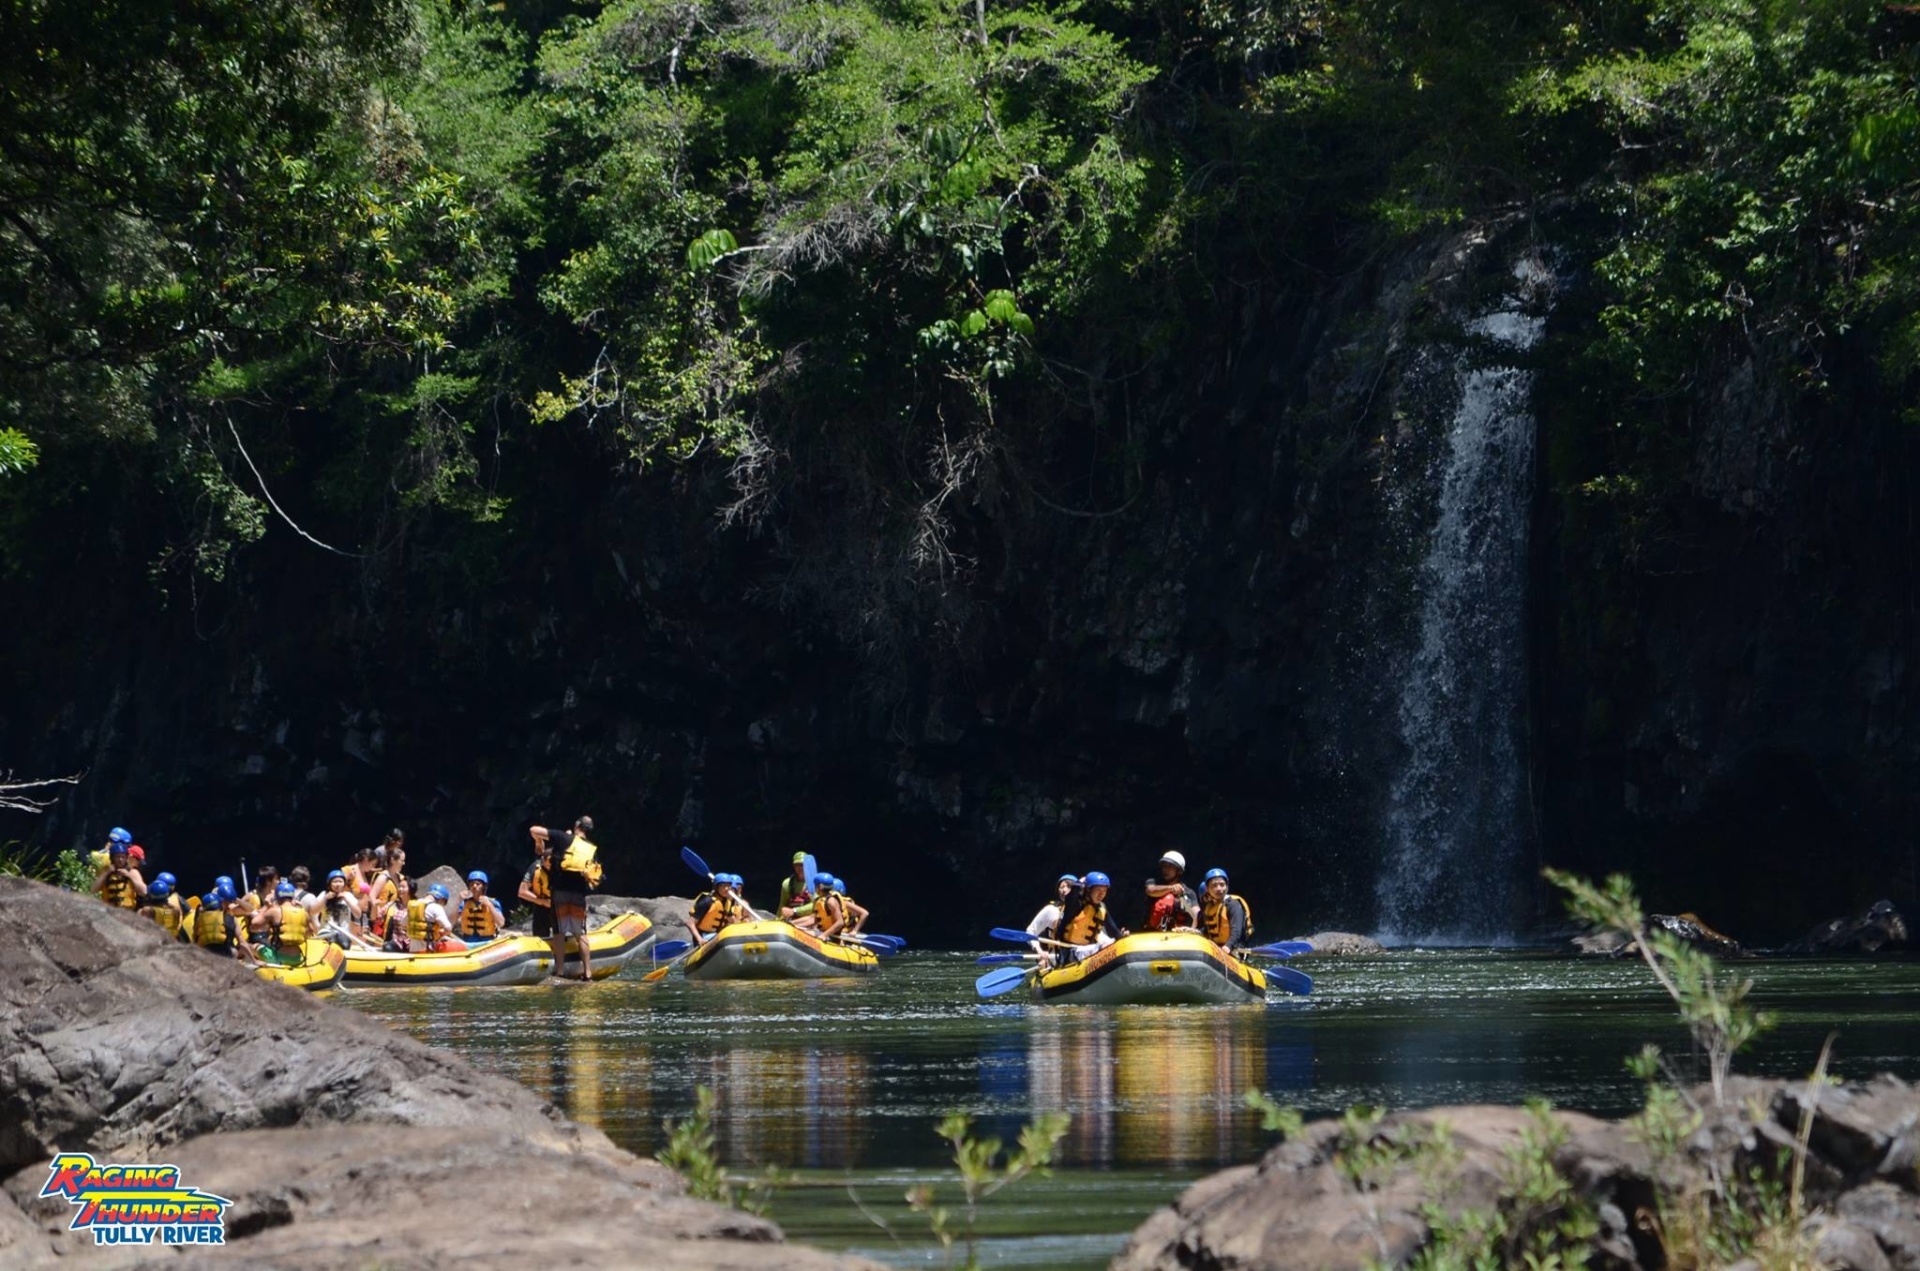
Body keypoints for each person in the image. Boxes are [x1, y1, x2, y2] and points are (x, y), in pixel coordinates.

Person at [531, 821, 596, 982]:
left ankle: (560, 972)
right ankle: (588, 972)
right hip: (578, 894)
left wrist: (538, 841)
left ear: (576, 826)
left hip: (560, 892)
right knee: (580, 933)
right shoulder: (590, 848)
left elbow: (534, 829)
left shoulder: (563, 838)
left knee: (559, 933)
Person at [1053, 871, 1123, 960]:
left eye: (1104, 891)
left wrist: (1122, 937)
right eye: (1098, 890)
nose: (1101, 894)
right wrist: (1078, 884)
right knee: (1105, 946)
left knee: (1112, 943)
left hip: (1088, 950)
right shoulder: (1076, 905)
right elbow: (1071, 897)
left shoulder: (1102, 909)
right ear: (1089, 890)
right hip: (1071, 952)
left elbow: (1114, 932)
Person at [1025, 874, 1079, 966]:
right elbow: (1030, 932)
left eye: (1069, 886)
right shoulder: (1051, 910)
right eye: (1062, 887)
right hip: (1057, 958)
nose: (1064, 890)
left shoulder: (1085, 910)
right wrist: (1040, 951)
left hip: (1080, 954)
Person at [1195, 868, 1254, 951]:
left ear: (1227, 886)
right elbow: (1206, 930)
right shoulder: (1209, 907)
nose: (1219, 888)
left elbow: (1237, 930)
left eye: (1222, 885)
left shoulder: (1233, 905)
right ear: (1207, 888)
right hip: (1217, 948)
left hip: (1234, 948)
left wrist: (1228, 946)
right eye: (1214, 885)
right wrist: (1193, 931)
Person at [685, 873, 747, 943]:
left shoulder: (727, 902)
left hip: (717, 935)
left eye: (728, 886)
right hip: (703, 936)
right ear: (716, 887)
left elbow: (732, 921)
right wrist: (699, 939)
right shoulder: (707, 901)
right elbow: (690, 923)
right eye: (723, 886)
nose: (726, 889)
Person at [260, 880, 311, 965]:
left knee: (253, 946)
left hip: (278, 957)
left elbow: (254, 925)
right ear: (293, 896)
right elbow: (309, 933)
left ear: (277, 896)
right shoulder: (304, 913)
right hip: (296, 957)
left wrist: (266, 906)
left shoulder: (274, 911)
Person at [1144, 851, 1196, 932]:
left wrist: (1181, 897)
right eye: (1164, 866)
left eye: (1171, 867)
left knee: (1183, 901)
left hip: (1177, 934)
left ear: (1179, 871)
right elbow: (1150, 891)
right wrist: (1171, 888)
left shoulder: (1188, 892)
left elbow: (1195, 915)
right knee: (1168, 898)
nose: (1166, 870)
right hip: (1150, 932)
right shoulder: (1153, 882)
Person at [518, 834, 554, 940]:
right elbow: (522, 892)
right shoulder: (535, 868)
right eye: (548, 863)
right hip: (541, 906)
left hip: (558, 906)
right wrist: (542, 901)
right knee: (540, 935)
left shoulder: (562, 867)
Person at [93, 839, 146, 909]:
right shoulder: (105, 871)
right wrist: (106, 873)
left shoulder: (132, 872)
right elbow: (93, 890)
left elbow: (144, 892)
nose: (120, 859)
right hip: (108, 911)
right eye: (117, 857)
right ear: (112, 858)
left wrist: (129, 876)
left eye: (123, 857)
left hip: (126, 912)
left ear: (126, 858)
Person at [457, 871, 505, 942]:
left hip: (487, 940)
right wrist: (458, 901)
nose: (474, 886)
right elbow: (451, 921)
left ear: (484, 886)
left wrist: (490, 906)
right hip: (468, 940)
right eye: (472, 884)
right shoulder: (464, 903)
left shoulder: (493, 903)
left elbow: (501, 923)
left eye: (478, 884)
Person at [418, 883, 464, 953]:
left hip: (412, 948)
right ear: (442, 900)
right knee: (460, 947)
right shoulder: (436, 907)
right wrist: (441, 934)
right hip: (427, 949)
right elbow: (448, 928)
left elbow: (403, 923)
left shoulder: (415, 904)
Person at [778, 852, 813, 919]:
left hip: (809, 920)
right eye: (797, 865)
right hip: (791, 919)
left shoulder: (814, 883)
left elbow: (816, 905)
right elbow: (782, 905)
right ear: (794, 866)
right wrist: (777, 919)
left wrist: (794, 911)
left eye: (802, 865)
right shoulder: (787, 883)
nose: (800, 868)